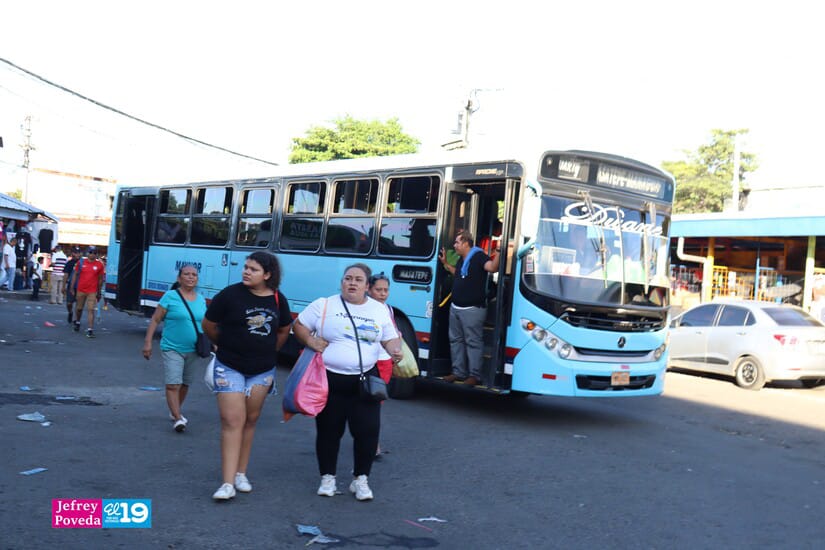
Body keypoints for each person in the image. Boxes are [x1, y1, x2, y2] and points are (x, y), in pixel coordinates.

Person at [293, 263, 403, 502]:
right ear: (341, 282)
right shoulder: (324, 305)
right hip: (329, 379)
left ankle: (360, 479)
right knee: (329, 430)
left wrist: (395, 350)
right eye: (348, 278)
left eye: (358, 280)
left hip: (365, 380)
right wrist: (310, 341)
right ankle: (327, 478)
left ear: (367, 286)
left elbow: (390, 338)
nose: (352, 283)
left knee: (368, 431)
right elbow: (299, 325)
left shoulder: (379, 310)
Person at [202, 251, 291, 501]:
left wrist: (270, 351)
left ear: (268, 274)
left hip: (262, 370)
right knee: (232, 420)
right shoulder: (230, 294)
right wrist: (224, 345)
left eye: (253, 269)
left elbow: (284, 328)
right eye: (246, 267)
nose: (246, 272)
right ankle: (227, 483)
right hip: (229, 366)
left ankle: (241, 473)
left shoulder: (277, 299)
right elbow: (208, 325)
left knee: (250, 420)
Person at [142, 265, 207, 433]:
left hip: (194, 349)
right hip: (172, 347)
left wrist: (213, 341)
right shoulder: (170, 296)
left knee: (185, 383)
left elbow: (205, 323)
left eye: (194, 275)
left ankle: (175, 409)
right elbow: (156, 319)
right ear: (179, 278)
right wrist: (148, 343)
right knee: (173, 384)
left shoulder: (201, 299)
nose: (191, 277)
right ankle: (178, 418)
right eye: (187, 274)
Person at [438, 231, 500, 386]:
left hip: (472, 309)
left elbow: (492, 268)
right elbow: (458, 274)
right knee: (456, 341)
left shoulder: (479, 256)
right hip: (456, 307)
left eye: (457, 242)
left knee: (473, 342)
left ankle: (474, 375)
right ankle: (458, 372)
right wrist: (446, 263)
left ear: (466, 243)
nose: (454, 245)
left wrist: (499, 251)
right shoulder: (462, 259)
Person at [367, 271, 393, 459]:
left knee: (376, 404)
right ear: (369, 289)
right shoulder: (364, 309)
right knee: (370, 404)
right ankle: (372, 443)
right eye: (378, 290)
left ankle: (371, 441)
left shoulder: (388, 309)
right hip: (369, 362)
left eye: (386, 290)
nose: (383, 294)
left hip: (385, 363)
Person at [68, 246, 105, 338]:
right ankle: (77, 321)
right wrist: (71, 288)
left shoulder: (100, 265)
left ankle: (90, 329)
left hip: (92, 291)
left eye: (94, 253)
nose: (92, 254)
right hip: (81, 290)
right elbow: (75, 275)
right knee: (79, 308)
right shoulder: (81, 262)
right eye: (91, 252)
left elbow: (100, 279)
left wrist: (99, 292)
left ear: (97, 254)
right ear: (87, 253)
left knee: (91, 309)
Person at [63, 247, 81, 323]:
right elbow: (66, 275)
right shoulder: (69, 263)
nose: (77, 254)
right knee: (69, 303)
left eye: (78, 253)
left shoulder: (82, 263)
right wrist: (63, 286)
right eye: (75, 253)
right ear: (72, 253)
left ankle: (76, 319)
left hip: (80, 286)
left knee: (78, 304)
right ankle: (70, 312)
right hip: (71, 285)